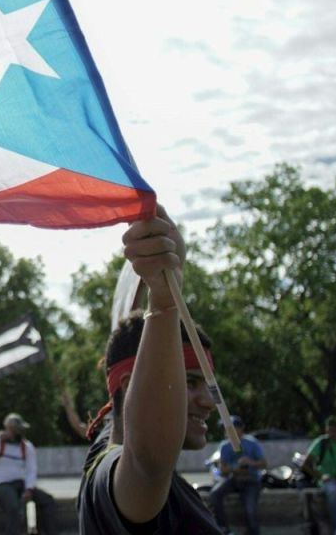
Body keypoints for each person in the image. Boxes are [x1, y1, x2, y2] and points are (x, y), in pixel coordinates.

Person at [78, 205, 223, 534]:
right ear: (129, 388)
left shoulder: (104, 442)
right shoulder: (117, 481)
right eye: (190, 381)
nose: (209, 400)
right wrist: (163, 304)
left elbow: (124, 351)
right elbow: (148, 462)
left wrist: (160, 278)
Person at [0, 413, 56, 535]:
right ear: (8, 429)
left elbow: (31, 469)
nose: (19, 433)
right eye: (16, 430)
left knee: (47, 500)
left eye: (20, 430)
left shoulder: (27, 447)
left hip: (21, 483)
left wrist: (29, 488)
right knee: (14, 507)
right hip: (2, 485)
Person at [209, 415, 266, 535]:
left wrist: (250, 462)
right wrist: (236, 468)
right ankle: (224, 529)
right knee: (214, 495)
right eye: (227, 429)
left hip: (251, 480)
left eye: (233, 429)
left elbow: (264, 464)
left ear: (241, 428)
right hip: (234, 479)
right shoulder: (224, 446)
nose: (229, 432)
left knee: (250, 510)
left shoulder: (252, 443)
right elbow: (223, 469)